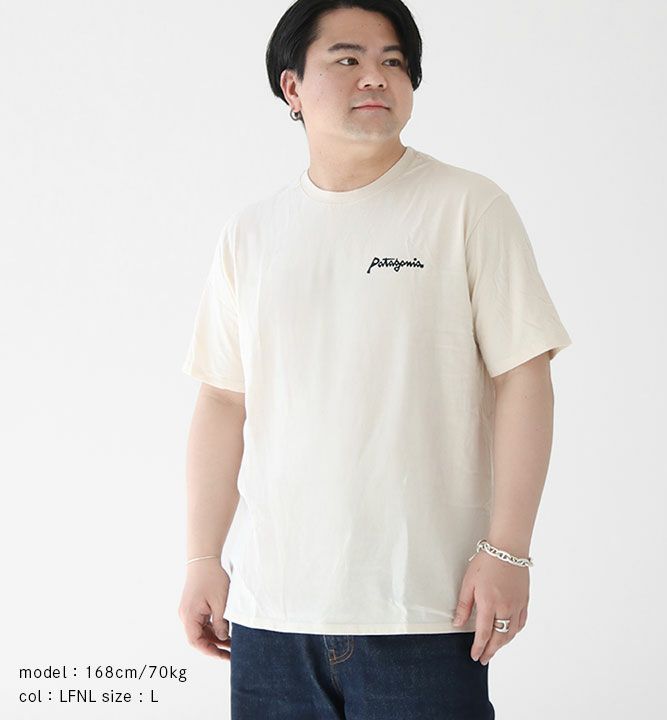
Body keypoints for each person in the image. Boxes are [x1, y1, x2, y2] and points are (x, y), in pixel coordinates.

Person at [177, 1, 572, 717]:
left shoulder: (467, 207)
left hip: (425, 609)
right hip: (270, 616)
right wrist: (203, 558)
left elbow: (524, 377)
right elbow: (224, 400)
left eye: (394, 61)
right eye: (348, 59)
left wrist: (508, 550)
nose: (376, 76)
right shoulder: (251, 233)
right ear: (292, 87)